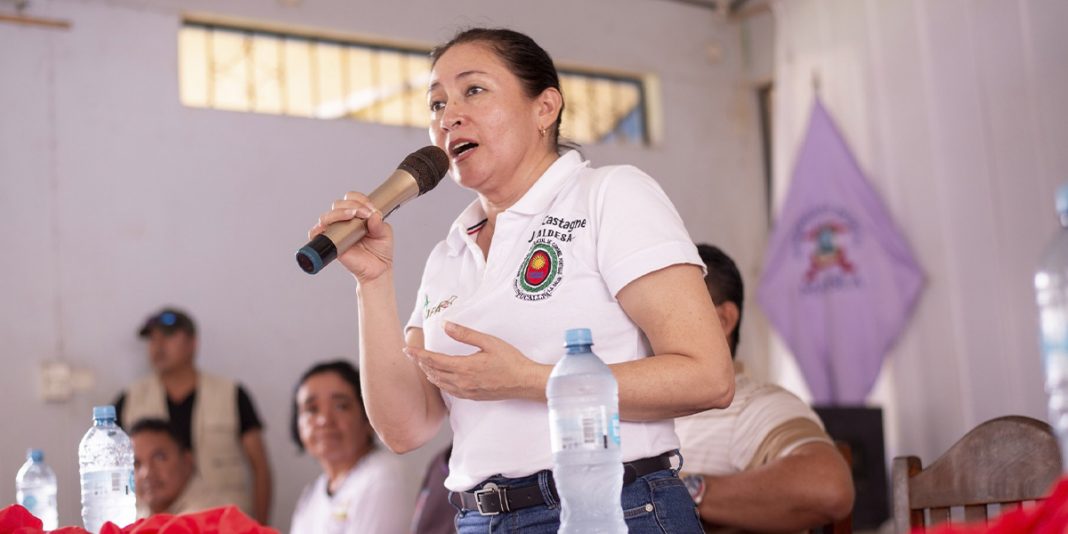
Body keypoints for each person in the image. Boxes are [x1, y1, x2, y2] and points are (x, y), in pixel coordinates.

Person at [307, 27, 734, 533]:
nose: (450, 116)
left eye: (474, 90)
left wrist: (531, 381)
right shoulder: (449, 254)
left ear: (544, 108)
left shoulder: (609, 195)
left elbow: (709, 377)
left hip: (612, 509)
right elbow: (405, 428)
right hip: (479, 520)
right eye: (436, 104)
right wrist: (373, 283)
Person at [674, 244, 855, 532]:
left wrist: (679, 493)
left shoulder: (757, 405)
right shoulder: (623, 410)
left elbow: (828, 487)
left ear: (722, 320)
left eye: (667, 309)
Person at [114, 307, 273, 525]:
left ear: (192, 343)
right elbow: (110, 473)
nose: (158, 346)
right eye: (152, 339)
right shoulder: (129, 399)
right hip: (153, 525)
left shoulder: (231, 393)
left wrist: (260, 526)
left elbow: (260, 467)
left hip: (225, 524)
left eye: (168, 336)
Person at [289, 360, 412, 534]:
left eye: (341, 406)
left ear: (369, 417)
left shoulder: (383, 477)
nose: (324, 420)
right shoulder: (312, 493)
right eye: (311, 409)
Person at [130, 418, 216, 518]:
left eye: (159, 458)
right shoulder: (134, 514)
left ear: (187, 461)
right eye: (136, 463)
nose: (146, 473)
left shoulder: (207, 517)